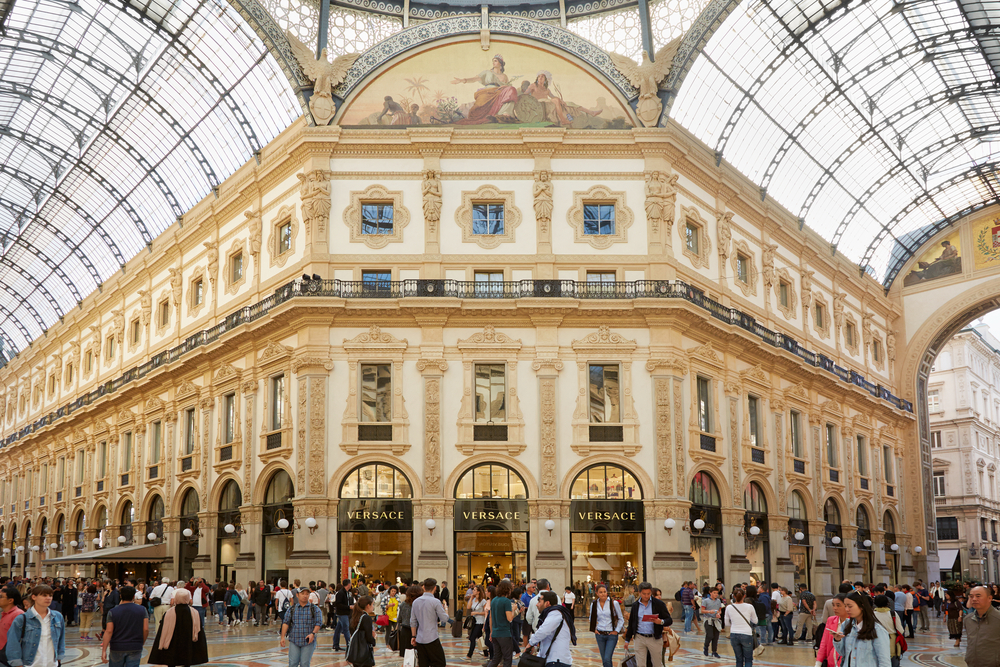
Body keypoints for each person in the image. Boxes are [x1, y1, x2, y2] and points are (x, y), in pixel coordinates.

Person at [5, 584, 65, 667]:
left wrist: (59, 658)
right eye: (44, 595)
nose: (48, 598)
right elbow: (13, 643)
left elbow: (61, 639)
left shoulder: (58, 617)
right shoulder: (22, 619)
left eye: (50, 595)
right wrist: (18, 664)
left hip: (52, 664)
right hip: (31, 664)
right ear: (34, 597)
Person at [147, 589, 208, 667]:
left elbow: (163, 630)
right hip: (189, 642)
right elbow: (199, 629)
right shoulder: (194, 612)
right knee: (187, 661)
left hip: (172, 642)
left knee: (172, 661)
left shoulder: (169, 612)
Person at [831, 591, 891, 667]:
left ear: (861, 606)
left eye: (850, 606)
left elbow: (884, 660)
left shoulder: (877, 629)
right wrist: (837, 640)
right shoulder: (847, 625)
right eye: (845, 606)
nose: (847, 609)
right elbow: (843, 653)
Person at [623, 582, 671, 667]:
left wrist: (661, 622)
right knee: (640, 664)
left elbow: (669, 620)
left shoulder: (659, 604)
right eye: (644, 594)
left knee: (657, 664)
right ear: (640, 593)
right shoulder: (635, 606)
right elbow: (631, 623)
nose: (646, 596)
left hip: (654, 638)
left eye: (648, 594)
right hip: (639, 638)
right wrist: (627, 640)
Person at [100, 585, 149, 667]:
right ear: (133, 596)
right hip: (135, 645)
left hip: (117, 646)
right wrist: (141, 642)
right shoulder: (142, 610)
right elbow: (146, 629)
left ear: (121, 596)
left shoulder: (112, 612)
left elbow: (109, 631)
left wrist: (104, 650)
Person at [527, 591, 575, 667]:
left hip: (557, 661)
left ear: (547, 603)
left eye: (539, 601)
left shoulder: (555, 613)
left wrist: (530, 643)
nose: (537, 604)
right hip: (552, 660)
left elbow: (543, 631)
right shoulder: (552, 614)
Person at [410, 578, 450, 667]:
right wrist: (446, 608)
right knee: (440, 662)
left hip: (420, 638)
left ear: (423, 587)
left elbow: (413, 621)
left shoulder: (416, 602)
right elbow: (444, 618)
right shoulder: (435, 601)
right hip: (432, 637)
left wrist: (413, 636)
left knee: (423, 664)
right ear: (435, 588)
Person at [280, 587, 323, 667]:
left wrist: (313, 633)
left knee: (304, 664)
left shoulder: (314, 609)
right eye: (302, 594)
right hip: (294, 640)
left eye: (307, 594)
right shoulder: (291, 609)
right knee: (293, 663)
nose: (305, 596)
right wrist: (282, 637)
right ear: (297, 595)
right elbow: (286, 623)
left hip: (308, 641)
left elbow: (318, 623)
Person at [963, 585, 1000, 667]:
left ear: (990, 598)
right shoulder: (968, 619)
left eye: (978, 596)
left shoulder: (998, 619)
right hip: (972, 663)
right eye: (971, 596)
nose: (974, 599)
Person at [589, 583, 622, 667]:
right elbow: (591, 618)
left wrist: (616, 631)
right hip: (600, 635)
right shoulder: (594, 604)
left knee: (607, 658)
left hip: (611, 634)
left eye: (604, 591)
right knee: (605, 660)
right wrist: (594, 629)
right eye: (601, 592)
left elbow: (621, 619)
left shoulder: (614, 603)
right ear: (597, 593)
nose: (603, 594)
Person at [723, 588, 757, 667]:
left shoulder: (729, 607)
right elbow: (755, 621)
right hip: (746, 634)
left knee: (739, 659)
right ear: (744, 596)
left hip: (734, 633)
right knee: (748, 658)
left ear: (734, 596)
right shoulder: (749, 606)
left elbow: (727, 623)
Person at [487, 580, 515, 667]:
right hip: (504, 633)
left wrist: (491, 632)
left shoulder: (494, 600)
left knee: (496, 658)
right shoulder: (506, 601)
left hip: (495, 632)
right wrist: (513, 609)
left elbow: (490, 617)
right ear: (508, 589)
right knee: (507, 658)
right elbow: (509, 618)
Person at [815, 593, 848, 667]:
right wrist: (818, 663)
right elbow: (824, 643)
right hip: (831, 662)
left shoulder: (854, 623)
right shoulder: (831, 620)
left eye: (838, 605)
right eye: (833, 605)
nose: (835, 608)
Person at [872, 594, 904, 667]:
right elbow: (900, 630)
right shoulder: (893, 614)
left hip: (877, 640)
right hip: (893, 642)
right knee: (894, 663)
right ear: (887, 603)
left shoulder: (872, 615)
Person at [346, 596, 376, 667]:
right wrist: (373, 639)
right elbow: (368, 637)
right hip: (364, 652)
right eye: (372, 604)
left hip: (355, 651)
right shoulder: (366, 618)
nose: (373, 606)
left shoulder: (355, 616)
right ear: (368, 606)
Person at [0, 587, 24, 665]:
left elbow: (21, 639)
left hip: (9, 656)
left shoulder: (18, 615)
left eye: (1, 597)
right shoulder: (4, 613)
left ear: (10, 600)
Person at [397, 584, 419, 658]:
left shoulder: (403, 604)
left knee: (406, 655)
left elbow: (399, 618)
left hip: (405, 630)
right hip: (417, 630)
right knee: (417, 654)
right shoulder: (419, 604)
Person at [701, 587, 723, 659]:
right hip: (708, 619)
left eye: (717, 593)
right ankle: (706, 646)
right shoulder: (705, 601)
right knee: (710, 635)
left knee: (716, 636)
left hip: (716, 620)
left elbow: (719, 610)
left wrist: (719, 614)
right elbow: (702, 610)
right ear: (710, 593)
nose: (716, 594)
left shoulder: (718, 601)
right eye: (714, 593)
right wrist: (709, 611)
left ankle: (714, 651)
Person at [333, 579, 354, 651]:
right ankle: (349, 644)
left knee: (338, 629)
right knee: (346, 628)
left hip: (346, 612)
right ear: (348, 584)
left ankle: (335, 644)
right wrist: (348, 607)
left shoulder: (347, 593)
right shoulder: (340, 593)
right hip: (342, 613)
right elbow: (338, 604)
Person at [467, 585, 487, 659]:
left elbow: (486, 612)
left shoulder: (483, 601)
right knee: (480, 637)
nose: (473, 591)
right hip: (474, 622)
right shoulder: (474, 599)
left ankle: (469, 655)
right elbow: (469, 607)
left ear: (478, 591)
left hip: (480, 622)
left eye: (475, 590)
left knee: (472, 638)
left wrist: (476, 613)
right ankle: (486, 654)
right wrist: (471, 598)